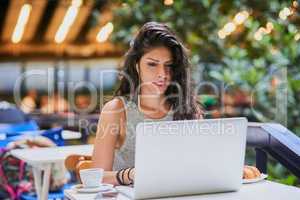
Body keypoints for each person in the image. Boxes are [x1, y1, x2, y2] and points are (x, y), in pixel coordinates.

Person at [92, 22, 260, 186]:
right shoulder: (116, 110)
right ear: (137, 66)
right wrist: (130, 175)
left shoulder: (186, 108)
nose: (162, 74)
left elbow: (203, 163)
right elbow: (96, 177)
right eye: (152, 64)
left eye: (169, 66)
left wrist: (231, 169)